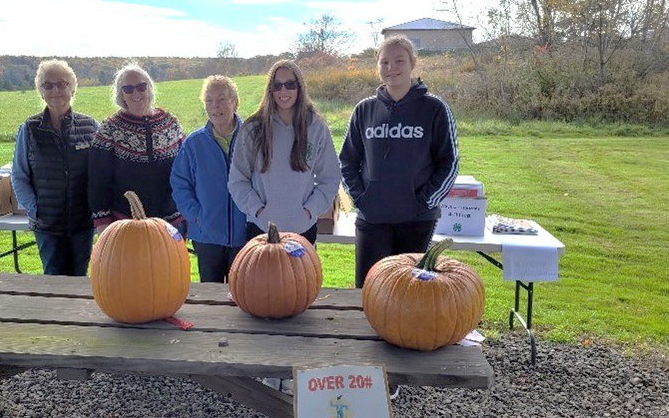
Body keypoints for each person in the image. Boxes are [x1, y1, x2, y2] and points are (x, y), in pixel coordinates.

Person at [339, 35, 459, 287]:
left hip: (416, 219)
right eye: (384, 62)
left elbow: (449, 163)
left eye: (399, 61)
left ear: (413, 64)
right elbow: (348, 161)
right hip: (372, 218)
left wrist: (424, 201)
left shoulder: (434, 109)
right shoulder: (364, 110)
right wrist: (361, 198)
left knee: (410, 292)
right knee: (369, 289)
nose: (391, 68)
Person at [228, 59, 340, 245]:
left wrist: (310, 210)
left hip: (303, 230)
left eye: (290, 85)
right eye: (277, 85)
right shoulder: (252, 129)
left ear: (300, 87)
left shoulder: (316, 127)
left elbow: (330, 179)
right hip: (261, 230)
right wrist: (257, 210)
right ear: (270, 90)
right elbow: (237, 181)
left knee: (303, 275)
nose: (283, 91)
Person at [11, 59, 98, 276]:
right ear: (40, 92)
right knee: (53, 278)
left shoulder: (90, 126)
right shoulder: (30, 129)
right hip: (47, 225)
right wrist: (35, 208)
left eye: (62, 84)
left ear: (73, 88)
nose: (55, 90)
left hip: (82, 223)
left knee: (79, 279)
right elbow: (19, 176)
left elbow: (99, 174)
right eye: (47, 85)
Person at [88, 64, 185, 234]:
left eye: (141, 87)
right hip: (126, 222)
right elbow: (98, 179)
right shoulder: (110, 128)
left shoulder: (171, 123)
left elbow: (187, 171)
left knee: (172, 261)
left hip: (171, 221)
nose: (136, 93)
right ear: (121, 94)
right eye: (128, 89)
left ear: (149, 88)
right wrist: (102, 221)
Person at [170, 75, 247, 282]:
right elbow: (180, 185)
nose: (216, 106)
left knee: (243, 294)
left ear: (235, 101)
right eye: (209, 100)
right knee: (211, 293)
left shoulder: (251, 138)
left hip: (245, 235)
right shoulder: (193, 143)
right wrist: (197, 216)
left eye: (222, 99)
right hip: (206, 236)